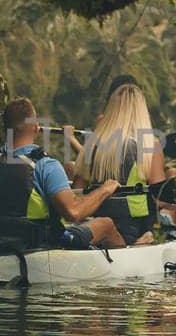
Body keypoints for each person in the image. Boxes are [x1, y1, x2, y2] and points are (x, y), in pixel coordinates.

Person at [0, 97, 125, 249]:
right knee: (106, 223)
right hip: (44, 244)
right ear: (36, 128)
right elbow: (73, 213)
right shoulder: (46, 166)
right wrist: (105, 190)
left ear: (5, 129)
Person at [71, 83, 167, 245]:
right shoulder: (150, 145)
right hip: (132, 230)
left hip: (93, 227)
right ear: (142, 111)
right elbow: (161, 199)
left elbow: (77, 192)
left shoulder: (92, 146)